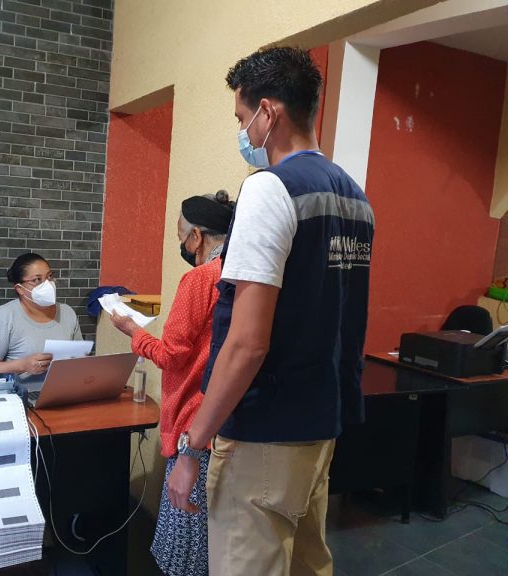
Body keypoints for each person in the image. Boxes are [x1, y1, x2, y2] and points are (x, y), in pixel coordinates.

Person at [168, 47, 375, 576]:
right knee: (307, 563)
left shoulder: (269, 189)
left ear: (268, 112)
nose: (243, 132)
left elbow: (247, 342)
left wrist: (192, 448)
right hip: (321, 424)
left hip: (264, 432)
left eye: (242, 119)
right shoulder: (355, 197)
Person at [110, 190, 234, 576]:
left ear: (197, 236)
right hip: (229, 425)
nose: (182, 244)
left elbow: (172, 355)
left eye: (182, 236)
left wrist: (133, 331)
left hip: (194, 427)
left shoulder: (200, 279)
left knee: (184, 547)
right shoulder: (241, 273)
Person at [0, 252, 82, 378]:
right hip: (22, 390)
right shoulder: (4, 316)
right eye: (37, 280)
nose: (47, 284)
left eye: (49, 277)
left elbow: (80, 360)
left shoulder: (67, 313)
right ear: (20, 289)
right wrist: (23, 365)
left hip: (64, 387)